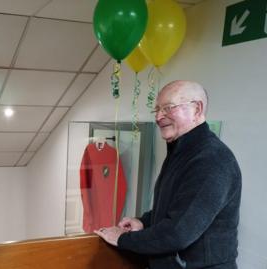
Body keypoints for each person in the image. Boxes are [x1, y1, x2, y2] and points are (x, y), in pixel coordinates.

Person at [95, 80, 242, 268]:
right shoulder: (182, 151)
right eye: (156, 109)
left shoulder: (211, 160)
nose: (158, 117)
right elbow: (176, 209)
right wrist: (143, 222)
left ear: (197, 109)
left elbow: (178, 233)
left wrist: (122, 239)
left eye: (168, 108)